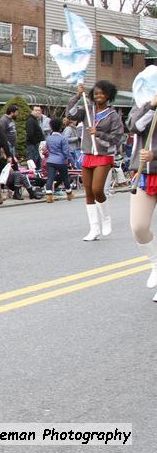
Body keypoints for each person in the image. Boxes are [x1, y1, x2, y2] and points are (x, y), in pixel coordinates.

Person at [68, 81, 124, 241]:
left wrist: (98, 134)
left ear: (108, 95)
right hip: (87, 154)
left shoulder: (113, 116)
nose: (99, 96)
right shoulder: (87, 110)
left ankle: (106, 217)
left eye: (103, 93)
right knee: (88, 193)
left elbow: (117, 138)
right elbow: (70, 114)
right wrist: (78, 95)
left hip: (104, 155)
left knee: (97, 189)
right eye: (96, 93)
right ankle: (94, 229)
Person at [128, 92, 157, 301]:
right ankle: (155, 263)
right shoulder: (143, 105)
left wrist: (155, 154)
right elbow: (134, 126)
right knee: (138, 227)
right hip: (145, 174)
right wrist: (152, 105)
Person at [43, 117, 75, 203]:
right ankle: (69, 194)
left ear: (51, 127)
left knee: (50, 177)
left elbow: (48, 149)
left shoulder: (48, 138)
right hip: (61, 161)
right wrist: (72, 162)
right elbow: (66, 152)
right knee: (65, 177)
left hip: (50, 160)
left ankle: (49, 196)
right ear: (60, 127)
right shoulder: (63, 138)